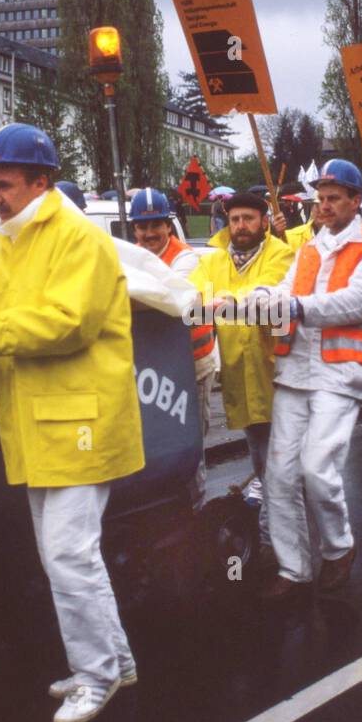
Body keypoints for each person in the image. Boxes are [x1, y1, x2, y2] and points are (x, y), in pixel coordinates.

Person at [0, 123, 144, 722]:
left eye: (5, 184)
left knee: (70, 555)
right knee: (65, 557)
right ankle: (113, 662)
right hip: (42, 425)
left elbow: (67, 321)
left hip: (79, 424)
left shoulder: (78, 239)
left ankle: (98, 678)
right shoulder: (7, 245)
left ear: (41, 183)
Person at [256, 159, 362, 598]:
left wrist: (297, 307)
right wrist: (261, 298)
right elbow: (286, 288)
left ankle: (338, 548)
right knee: (278, 475)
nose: (325, 205)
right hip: (296, 370)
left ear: (357, 201)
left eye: (334, 198)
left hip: (340, 374)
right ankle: (292, 570)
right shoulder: (308, 247)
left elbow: (355, 302)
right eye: (321, 198)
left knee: (318, 469)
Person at [188, 191, 294, 558]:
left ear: (264, 222)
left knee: (279, 472)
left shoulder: (279, 254)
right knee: (264, 464)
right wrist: (206, 303)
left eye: (249, 219)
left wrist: (225, 304)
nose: (241, 226)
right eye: (234, 220)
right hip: (239, 376)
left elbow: (266, 300)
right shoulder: (214, 260)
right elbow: (198, 299)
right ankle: (279, 541)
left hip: (276, 375)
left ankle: (276, 549)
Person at [129, 188, 216, 502]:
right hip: (162, 365)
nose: (149, 233)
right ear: (134, 228)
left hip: (195, 364)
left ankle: (198, 503)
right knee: (163, 439)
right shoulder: (133, 255)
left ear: (168, 225)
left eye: (156, 225)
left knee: (193, 442)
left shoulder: (187, 259)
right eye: (142, 226)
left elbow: (167, 300)